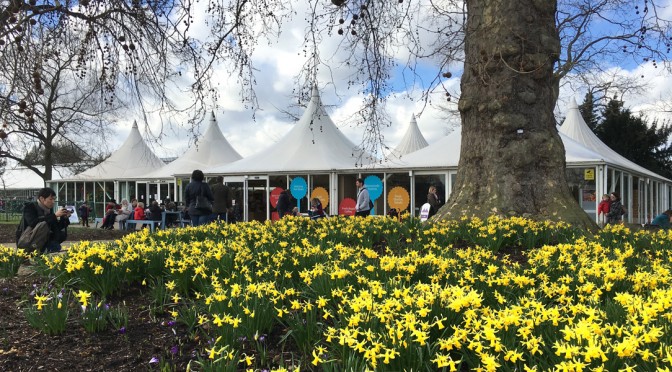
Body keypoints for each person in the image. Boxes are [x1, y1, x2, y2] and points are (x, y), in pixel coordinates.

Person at [15, 187, 70, 253]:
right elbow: (33, 223)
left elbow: (56, 228)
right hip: (28, 242)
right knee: (54, 247)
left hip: (43, 241)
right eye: (51, 199)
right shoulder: (30, 207)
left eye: (54, 199)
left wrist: (64, 218)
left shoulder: (49, 210)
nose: (53, 202)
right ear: (42, 198)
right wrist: (54, 216)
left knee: (56, 246)